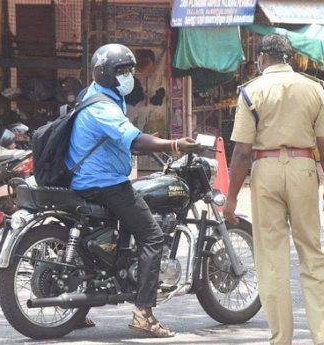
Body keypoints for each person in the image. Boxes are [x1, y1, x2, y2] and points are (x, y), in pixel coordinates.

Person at [65, 43, 200, 337]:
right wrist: (174, 145)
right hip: (103, 183)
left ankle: (78, 311)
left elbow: (116, 141)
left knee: (116, 228)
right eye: (123, 71)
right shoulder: (103, 107)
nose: (130, 76)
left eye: (129, 70)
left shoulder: (93, 95)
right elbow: (134, 139)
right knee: (152, 236)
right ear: (107, 73)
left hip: (88, 180)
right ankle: (144, 313)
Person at [223, 33, 324, 345]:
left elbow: (242, 152)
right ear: (291, 58)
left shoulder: (250, 91)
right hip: (303, 168)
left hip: (266, 169)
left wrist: (231, 197)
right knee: (311, 253)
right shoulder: (314, 88)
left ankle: (281, 339)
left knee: (272, 258)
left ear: (262, 58)